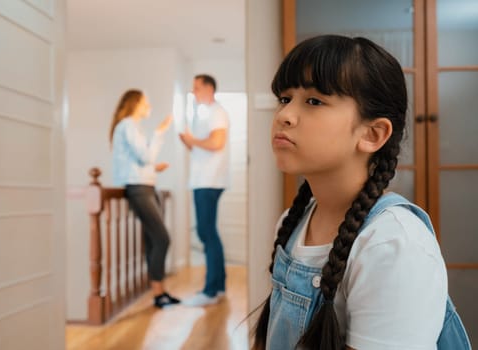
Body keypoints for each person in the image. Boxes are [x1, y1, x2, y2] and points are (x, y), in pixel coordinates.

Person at [252, 35, 471, 350]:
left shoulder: (392, 244)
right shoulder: (292, 221)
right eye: (285, 98)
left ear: (372, 134)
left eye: (314, 101)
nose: (284, 116)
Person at [110, 89, 180, 308]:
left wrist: (152, 167)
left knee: (153, 240)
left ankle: (159, 293)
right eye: (145, 101)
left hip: (146, 186)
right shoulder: (128, 125)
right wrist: (159, 132)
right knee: (162, 238)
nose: (149, 104)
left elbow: (141, 160)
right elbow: (145, 156)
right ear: (135, 103)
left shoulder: (131, 126)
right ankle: (158, 292)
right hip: (139, 189)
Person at [179, 74, 230, 307]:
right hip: (204, 180)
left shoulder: (217, 113)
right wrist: (189, 141)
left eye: (197, 87)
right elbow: (203, 148)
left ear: (209, 88)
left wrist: (193, 140)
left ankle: (210, 291)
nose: (193, 91)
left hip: (208, 181)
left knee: (207, 233)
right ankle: (217, 286)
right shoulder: (208, 114)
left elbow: (216, 143)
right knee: (208, 233)